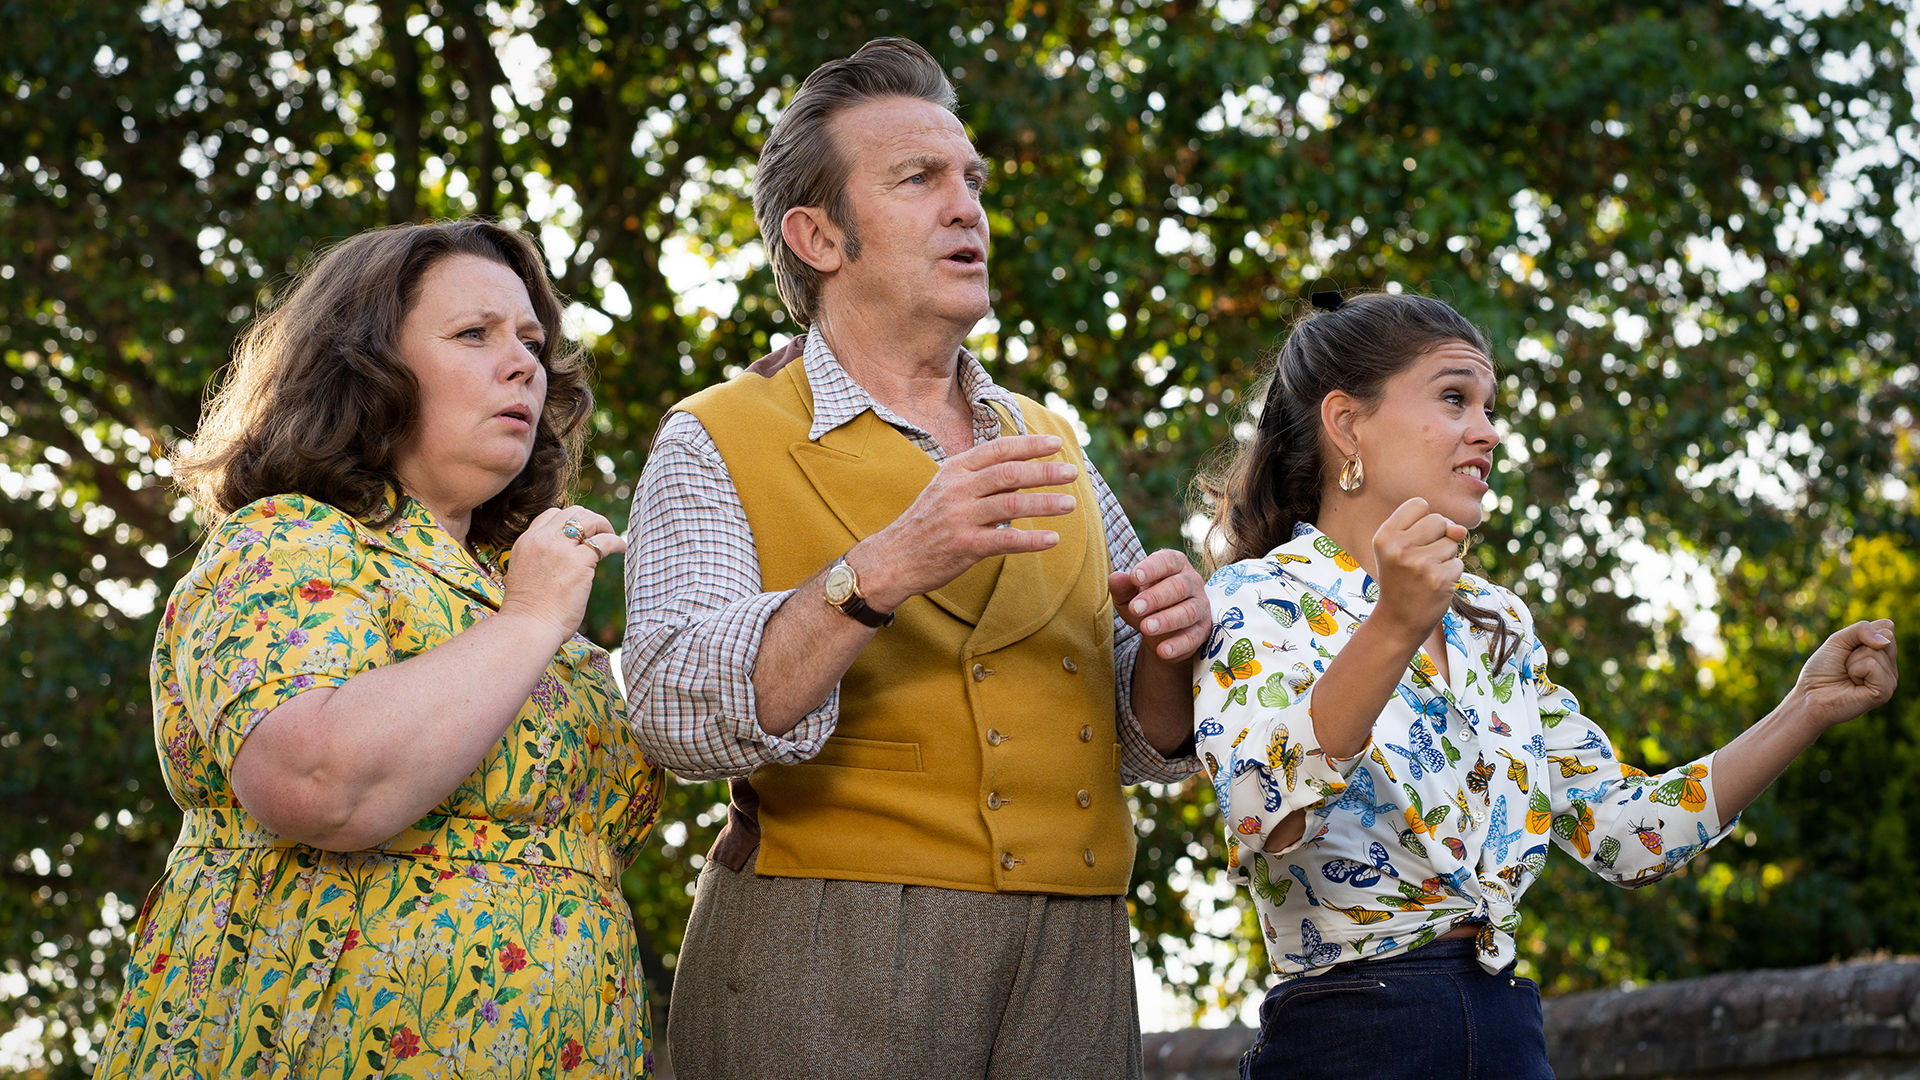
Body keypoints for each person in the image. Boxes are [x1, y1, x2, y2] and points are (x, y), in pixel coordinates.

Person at [622, 37, 1207, 1080]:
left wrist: (1172, 645)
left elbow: (1141, 736)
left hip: (1078, 948)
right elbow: (668, 705)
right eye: (919, 179)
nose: (966, 207)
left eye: (971, 180)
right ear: (818, 237)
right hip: (827, 944)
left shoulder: (1050, 440)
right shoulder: (713, 436)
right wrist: (880, 570)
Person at [1192, 290, 1898, 1079]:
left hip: (1508, 1033)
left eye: (1490, 408)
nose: (1488, 431)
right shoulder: (1256, 599)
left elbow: (1625, 834)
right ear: (1347, 424)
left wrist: (1804, 708)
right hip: (1350, 1042)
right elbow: (1261, 808)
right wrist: (1393, 624)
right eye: (1454, 397)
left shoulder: (1494, 623)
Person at [97, 221, 666, 1079]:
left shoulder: (519, 584)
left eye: (531, 342)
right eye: (474, 334)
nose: (523, 364)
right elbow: (317, 781)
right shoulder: (287, 542)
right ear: (365, 368)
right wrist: (528, 620)